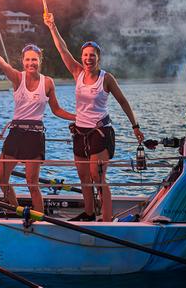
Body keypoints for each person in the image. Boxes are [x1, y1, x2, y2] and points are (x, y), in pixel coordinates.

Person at [44, 13, 144, 222]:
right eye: (85, 55)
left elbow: (123, 102)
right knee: (83, 177)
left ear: (98, 57)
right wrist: (52, 26)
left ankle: (106, 219)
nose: (88, 59)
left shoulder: (106, 78)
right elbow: (62, 49)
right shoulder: (77, 72)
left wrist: (135, 126)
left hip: (100, 132)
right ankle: (89, 213)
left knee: (98, 178)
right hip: (80, 132)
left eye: (92, 55)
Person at [0, 39, 75, 214]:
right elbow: (3, 65)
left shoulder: (47, 82)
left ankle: (39, 217)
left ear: (40, 61)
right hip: (16, 134)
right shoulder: (17, 77)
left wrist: (78, 117)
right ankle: (16, 210)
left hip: (34, 135)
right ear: (23, 61)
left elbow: (56, 109)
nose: (31, 63)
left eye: (34, 59)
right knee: (1, 178)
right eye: (27, 60)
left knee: (32, 183)